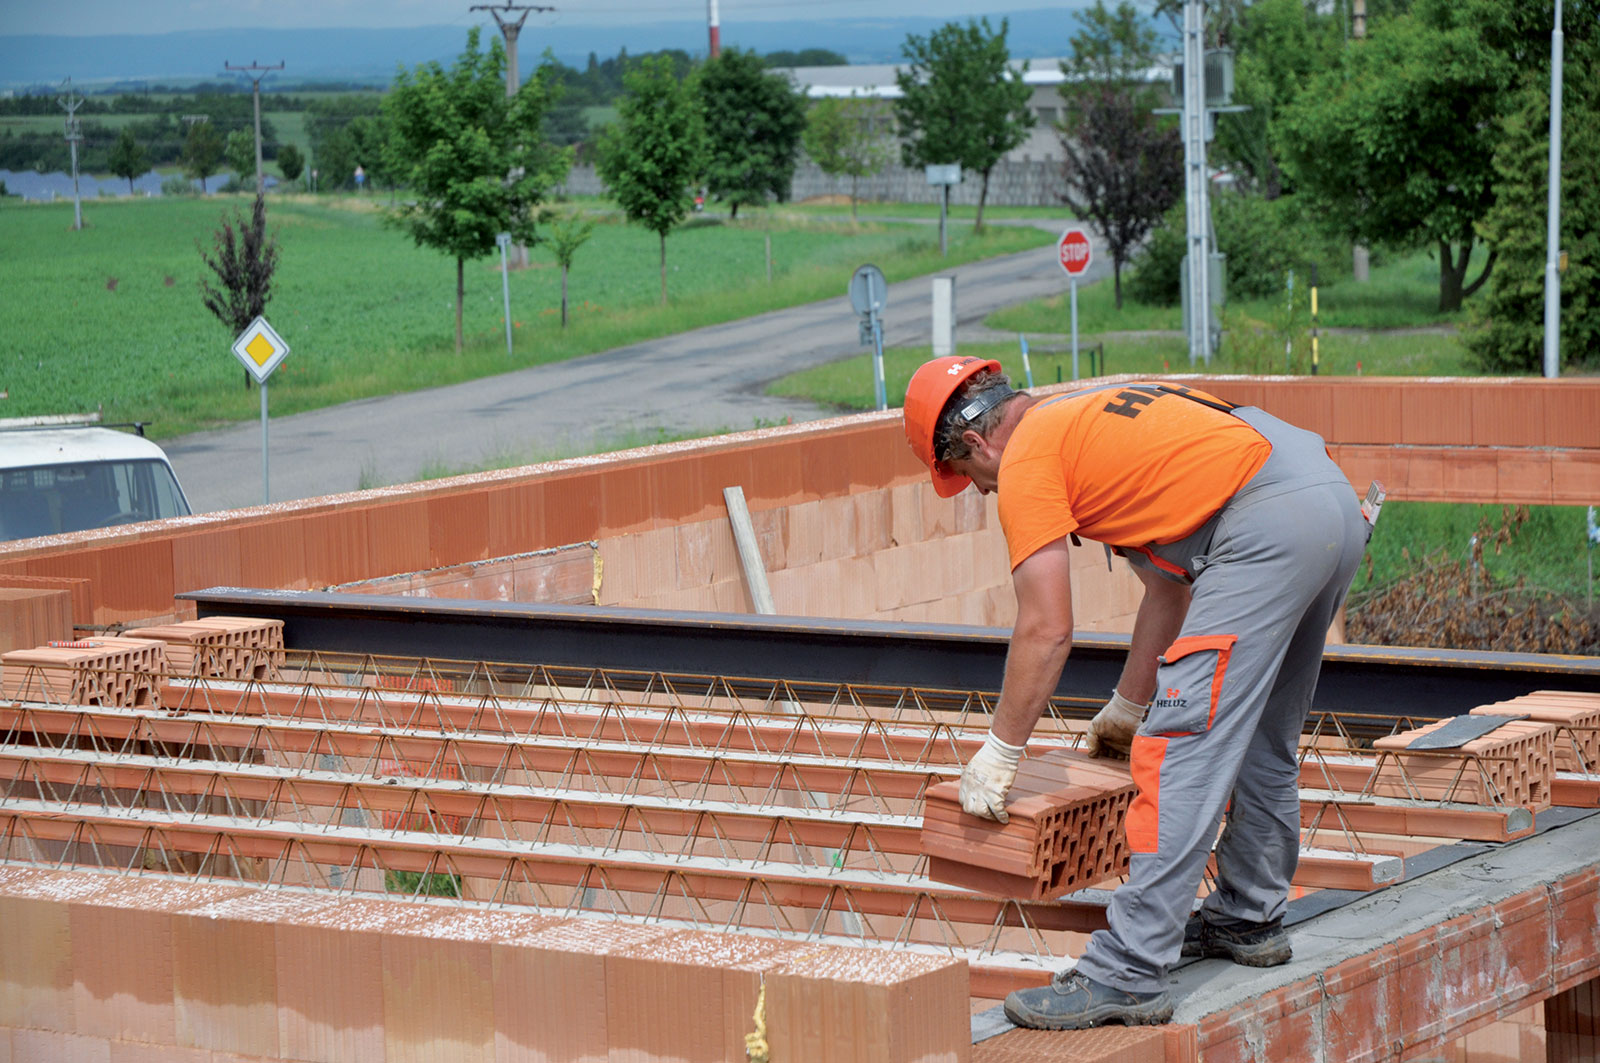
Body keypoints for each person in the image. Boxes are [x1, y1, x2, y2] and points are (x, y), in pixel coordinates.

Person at [901, 356, 1371, 1030]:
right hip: (1323, 495)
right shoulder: (1082, 418)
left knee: (1180, 748)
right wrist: (1125, 705)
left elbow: (1045, 627)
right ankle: (1248, 914)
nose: (978, 492)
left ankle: (1127, 968)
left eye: (969, 480)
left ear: (976, 443)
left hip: (1263, 524)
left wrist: (1001, 750)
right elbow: (1169, 586)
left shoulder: (1026, 461)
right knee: (1264, 733)